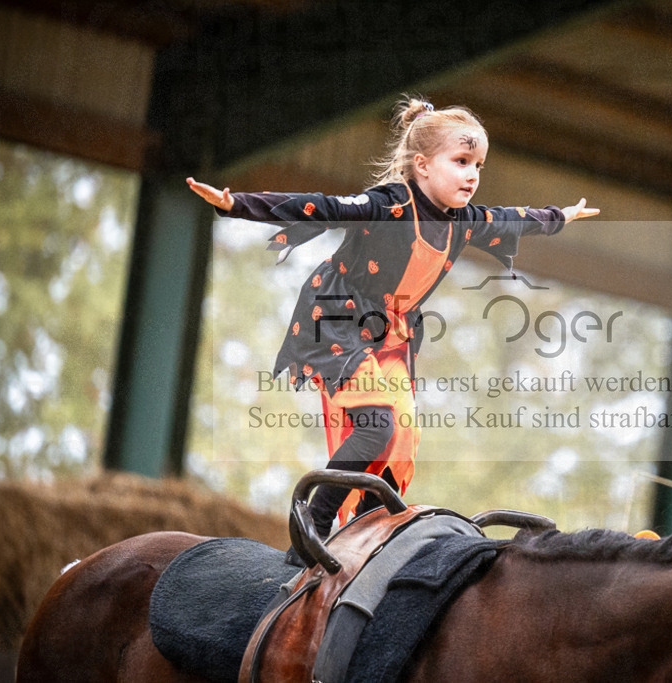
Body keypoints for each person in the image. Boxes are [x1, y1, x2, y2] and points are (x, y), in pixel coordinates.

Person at [188, 98, 598, 540]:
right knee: (377, 422)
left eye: (478, 164)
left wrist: (560, 216)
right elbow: (323, 207)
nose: (473, 175)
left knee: (400, 439)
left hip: (390, 336)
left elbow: (515, 218)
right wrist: (237, 205)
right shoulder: (389, 205)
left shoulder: (463, 220)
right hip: (337, 321)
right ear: (421, 166)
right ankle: (314, 524)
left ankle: (364, 530)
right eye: (461, 161)